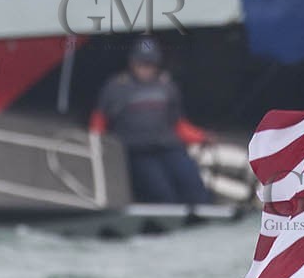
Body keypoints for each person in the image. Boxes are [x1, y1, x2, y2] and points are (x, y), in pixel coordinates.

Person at [89, 38, 213, 205]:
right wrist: (99, 149)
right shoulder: (116, 87)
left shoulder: (166, 86)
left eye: (151, 64)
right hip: (138, 150)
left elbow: (179, 124)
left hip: (169, 147)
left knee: (193, 184)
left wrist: (201, 137)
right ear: (132, 63)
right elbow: (99, 123)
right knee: (162, 192)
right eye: (142, 64)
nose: (146, 69)